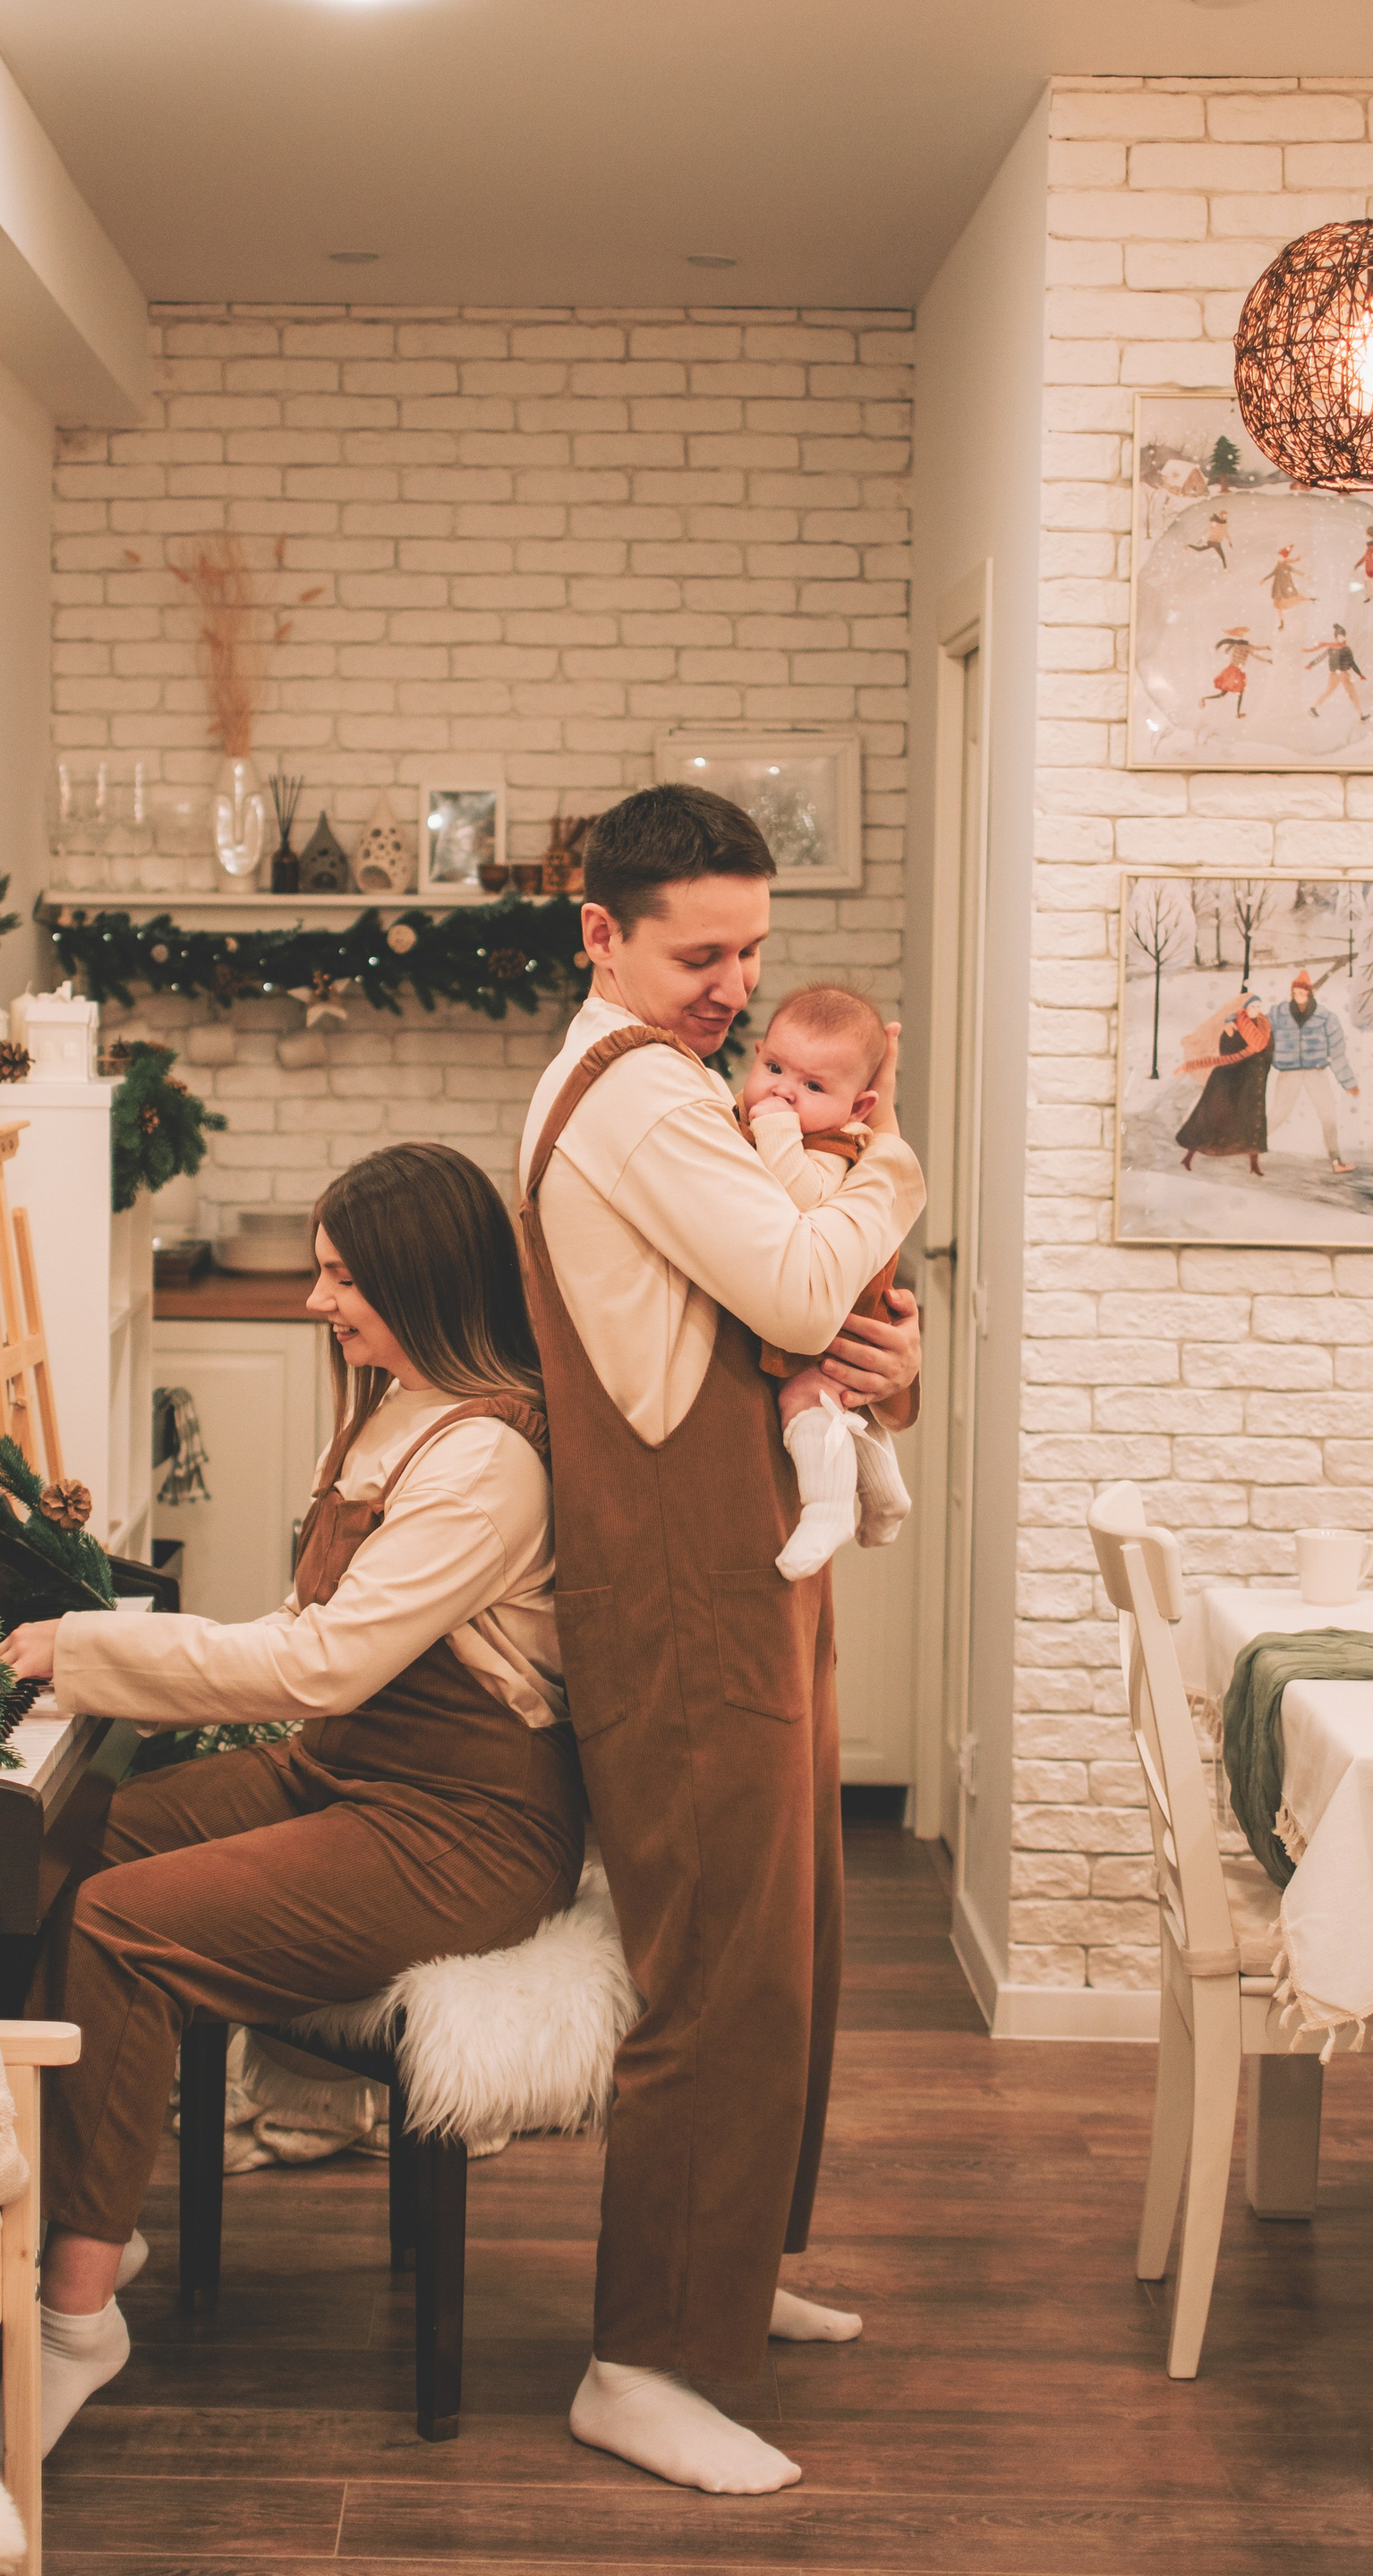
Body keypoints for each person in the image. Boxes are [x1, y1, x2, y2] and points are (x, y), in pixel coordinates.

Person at [0, 1143, 586, 2458]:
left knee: (120, 1924)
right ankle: (80, 2213)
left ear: (422, 1283)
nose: (319, 1301)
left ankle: (76, 2317)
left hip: (464, 1829)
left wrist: (80, 1649)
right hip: (348, 1773)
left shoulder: (488, 1462)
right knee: (70, 1843)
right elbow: (306, 1642)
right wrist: (95, 1656)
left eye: (343, 1278)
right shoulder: (392, 1410)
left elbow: (318, 1665)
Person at [516, 782, 925, 2496]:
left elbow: (793, 1323)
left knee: (790, 1945)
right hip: (684, 1590)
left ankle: (729, 2276)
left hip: (744, 1564)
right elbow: (802, 1288)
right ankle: (642, 2360)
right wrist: (890, 1164)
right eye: (703, 955)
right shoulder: (638, 1096)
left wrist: (884, 1367)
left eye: (754, 951)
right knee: (718, 1971)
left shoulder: (684, 1089)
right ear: (601, 933)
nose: (737, 988)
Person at [737, 983, 916, 1576]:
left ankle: (828, 1509)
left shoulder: (833, 1143)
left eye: (813, 1087)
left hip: (844, 1310)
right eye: (774, 1068)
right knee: (835, 1401)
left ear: (858, 1108)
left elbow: (806, 1199)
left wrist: (776, 1131)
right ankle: (884, 1493)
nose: (784, 1091)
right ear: (757, 1054)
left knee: (805, 1398)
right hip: (841, 1309)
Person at [1268, 968, 1359, 1173]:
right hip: (1289, 1072)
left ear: (1309, 993)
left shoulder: (1325, 1017)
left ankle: (1336, 1161)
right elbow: (1257, 1025)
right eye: (1295, 993)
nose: (1298, 996)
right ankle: (1247, 1146)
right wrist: (1232, 1022)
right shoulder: (1279, 1014)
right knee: (1278, 1114)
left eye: (1302, 992)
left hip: (1315, 1072)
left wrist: (1348, 1082)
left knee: (1328, 1114)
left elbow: (1337, 1052)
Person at [1176, 992, 1273, 1174]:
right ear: (1244, 1009)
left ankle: (1254, 1164)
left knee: (1252, 1120)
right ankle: (1188, 1157)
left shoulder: (1265, 1028)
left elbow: (1268, 1052)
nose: (1257, 1010)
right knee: (1209, 1117)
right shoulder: (1232, 1028)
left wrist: (1259, 1070)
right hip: (1227, 1080)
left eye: (1259, 1007)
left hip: (1251, 1082)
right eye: (1253, 1006)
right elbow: (1227, 1056)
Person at [1307, 624, 1368, 721]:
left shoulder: (1347, 649)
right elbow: (1321, 656)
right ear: (1336, 637)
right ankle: (1314, 708)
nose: (1341, 638)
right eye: (1339, 636)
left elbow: (1352, 663)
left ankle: (1361, 714)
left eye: (1343, 636)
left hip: (1344, 674)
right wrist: (1311, 664)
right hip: (1334, 675)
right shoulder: (1332, 648)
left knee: (1352, 693)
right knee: (1328, 691)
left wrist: (1360, 674)